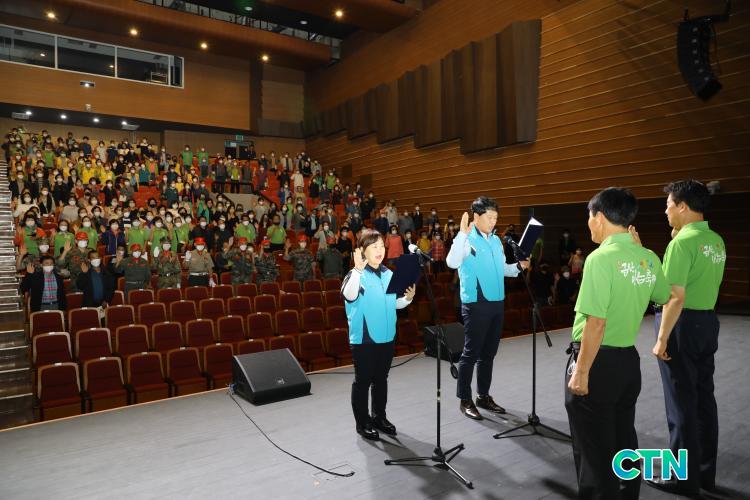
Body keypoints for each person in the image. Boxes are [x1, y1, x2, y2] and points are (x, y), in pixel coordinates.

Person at [565, 187, 675, 500]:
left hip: (595, 362)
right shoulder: (648, 257)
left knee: (593, 447)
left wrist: (581, 371)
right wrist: (641, 255)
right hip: (627, 363)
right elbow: (663, 296)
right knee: (623, 437)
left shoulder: (599, 259)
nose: (588, 224)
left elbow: (595, 323)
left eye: (589, 217)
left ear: (599, 217)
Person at [635, 180, 725, 496]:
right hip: (707, 322)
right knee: (703, 400)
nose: (666, 211)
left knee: (680, 404)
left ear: (682, 206)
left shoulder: (681, 244)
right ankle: (704, 474)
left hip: (681, 326)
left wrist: (661, 338)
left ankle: (682, 478)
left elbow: (674, 296)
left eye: (668, 204)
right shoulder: (715, 240)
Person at [446, 197, 529, 420]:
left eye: (495, 218)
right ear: (476, 216)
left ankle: (483, 396)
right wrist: (461, 234)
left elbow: (502, 269)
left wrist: (518, 267)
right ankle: (465, 399)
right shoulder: (466, 239)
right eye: (490, 217)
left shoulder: (495, 241)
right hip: (476, 303)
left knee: (489, 353)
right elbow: (452, 262)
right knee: (471, 353)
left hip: (497, 302)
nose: (493, 222)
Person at [341, 229, 416, 440]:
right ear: (362, 250)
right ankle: (362, 422)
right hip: (365, 338)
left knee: (381, 379)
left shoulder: (389, 274)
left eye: (382, 246)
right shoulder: (355, 274)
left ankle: (379, 417)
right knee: (363, 381)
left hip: (387, 336)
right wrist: (357, 270)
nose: (379, 250)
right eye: (374, 246)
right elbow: (349, 295)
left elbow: (394, 303)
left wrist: (407, 299)